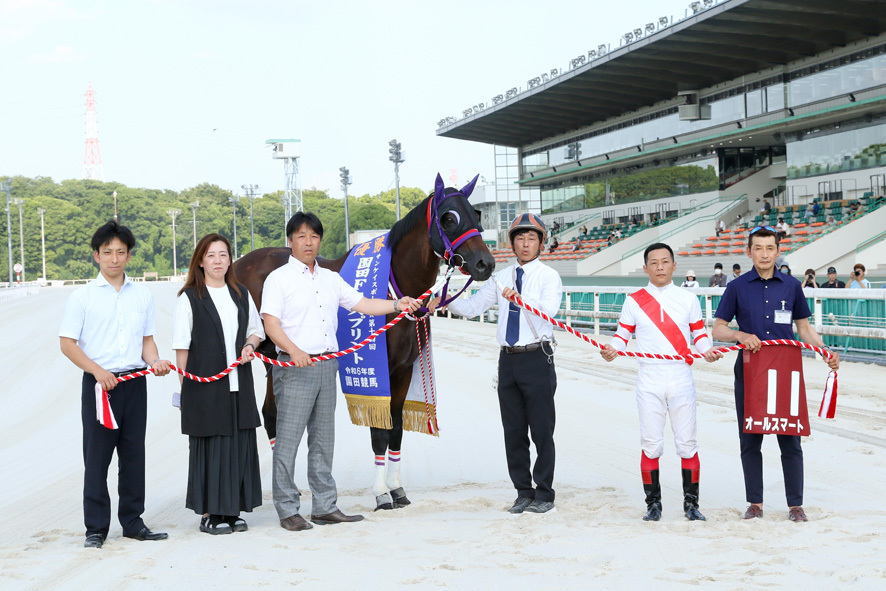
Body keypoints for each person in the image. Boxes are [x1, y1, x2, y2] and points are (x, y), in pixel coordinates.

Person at [261, 212, 420, 532]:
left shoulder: (330, 279)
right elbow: (270, 323)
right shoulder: (278, 279)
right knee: (289, 443)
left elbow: (362, 304)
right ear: (290, 241)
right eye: (301, 236)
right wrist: (294, 351)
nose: (308, 242)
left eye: (314, 236)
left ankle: (324, 506)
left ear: (320, 241)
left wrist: (396, 305)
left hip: (326, 365)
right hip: (294, 368)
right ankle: (288, 509)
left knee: (323, 442)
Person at [432, 213, 562, 515]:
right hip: (508, 360)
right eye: (520, 238)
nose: (525, 244)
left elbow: (549, 312)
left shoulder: (548, 276)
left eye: (531, 238)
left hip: (537, 357)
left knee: (542, 430)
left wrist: (521, 299)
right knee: (513, 431)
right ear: (512, 243)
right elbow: (472, 307)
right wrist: (445, 298)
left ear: (541, 243)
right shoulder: (500, 277)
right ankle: (523, 491)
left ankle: (545, 493)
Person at [712, 226, 840, 522]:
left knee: (790, 438)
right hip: (750, 370)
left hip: (785, 371)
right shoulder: (737, 287)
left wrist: (825, 351)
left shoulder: (792, 286)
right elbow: (718, 328)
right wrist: (740, 335)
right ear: (749, 252)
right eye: (758, 248)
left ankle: (795, 505)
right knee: (750, 439)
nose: (765, 254)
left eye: (770, 248)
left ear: (778, 250)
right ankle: (755, 503)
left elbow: (804, 329)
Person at [59, 221, 171, 549]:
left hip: (135, 384)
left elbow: (147, 342)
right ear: (96, 256)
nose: (114, 258)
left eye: (120, 252)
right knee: (97, 458)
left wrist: (156, 362)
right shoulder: (82, 297)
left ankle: (133, 522)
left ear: (129, 255)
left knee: (133, 455)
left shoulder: (143, 295)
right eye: (107, 252)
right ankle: (95, 528)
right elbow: (68, 344)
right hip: (99, 387)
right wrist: (97, 371)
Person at [601, 243, 722, 521]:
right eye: (653, 263)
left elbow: (699, 335)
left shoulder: (688, 299)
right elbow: (621, 337)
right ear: (645, 268)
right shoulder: (634, 300)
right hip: (649, 378)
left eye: (665, 262)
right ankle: (653, 505)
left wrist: (708, 351)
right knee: (651, 443)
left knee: (687, 443)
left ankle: (692, 505)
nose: (659, 267)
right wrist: (611, 350)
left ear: (674, 266)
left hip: (681, 376)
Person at [172, 233, 265, 535]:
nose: (217, 261)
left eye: (223, 254)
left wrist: (250, 346)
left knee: (238, 447)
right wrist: (185, 389)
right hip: (204, 387)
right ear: (200, 261)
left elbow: (255, 331)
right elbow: (181, 348)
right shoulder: (189, 298)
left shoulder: (240, 293)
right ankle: (210, 513)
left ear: (230, 259)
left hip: (239, 384)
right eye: (211, 255)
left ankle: (233, 510)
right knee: (210, 449)